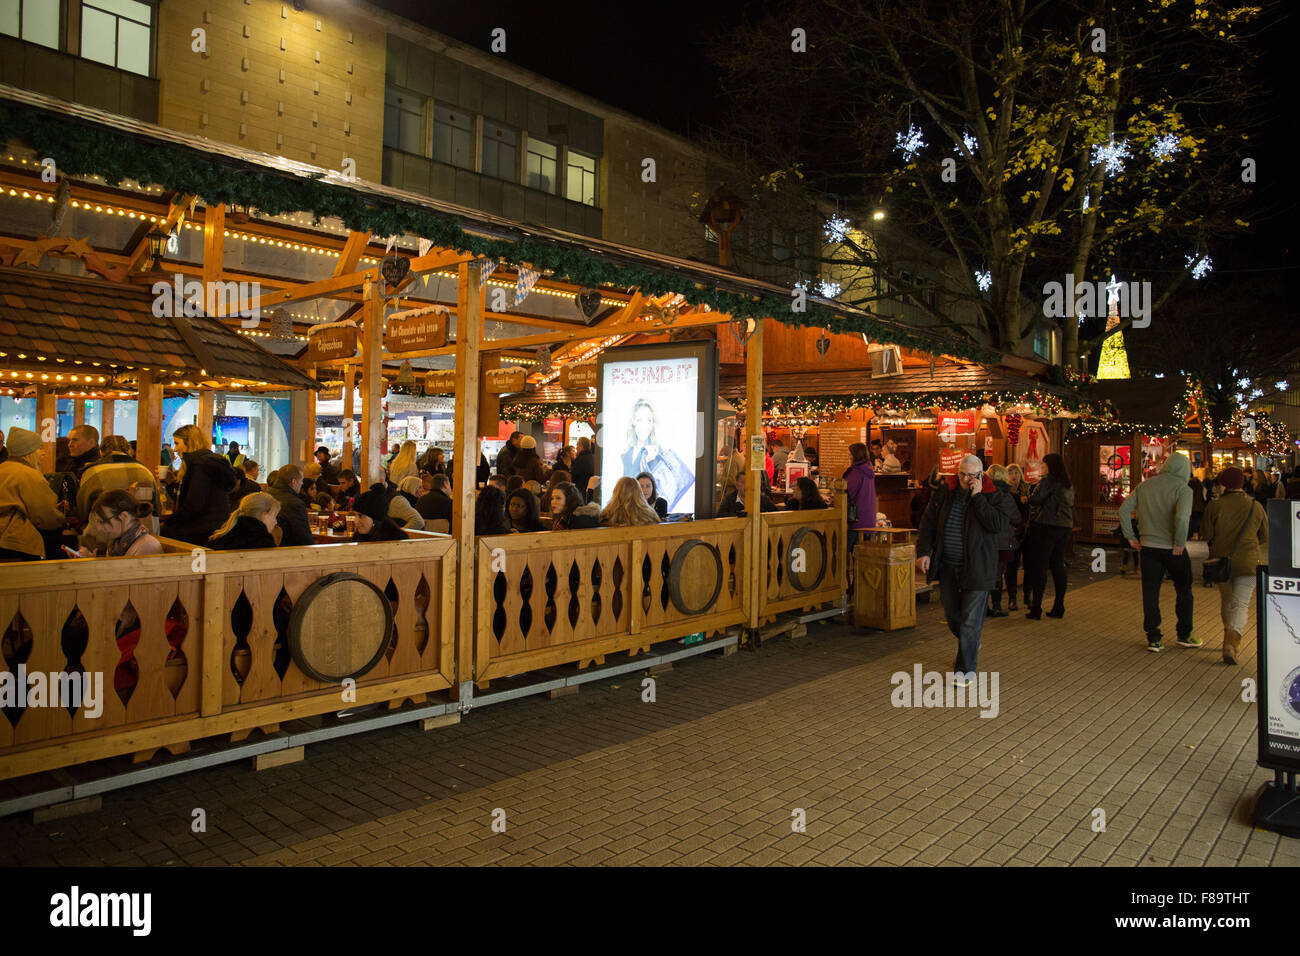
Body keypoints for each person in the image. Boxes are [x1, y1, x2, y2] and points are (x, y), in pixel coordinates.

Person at [917, 455, 1010, 682]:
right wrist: (923, 551)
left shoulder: (994, 495)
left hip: (978, 567)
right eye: (962, 474)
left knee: (970, 621)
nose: (965, 479)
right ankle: (972, 643)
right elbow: (928, 522)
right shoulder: (945, 492)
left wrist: (977, 498)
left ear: (981, 475)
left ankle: (964, 670)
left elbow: (996, 525)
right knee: (952, 616)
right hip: (949, 565)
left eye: (971, 475)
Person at [1118, 452, 1194, 652]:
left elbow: (1124, 510)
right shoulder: (1183, 489)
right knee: (1184, 590)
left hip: (1148, 547)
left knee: (1150, 592)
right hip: (1173, 549)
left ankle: (1154, 637)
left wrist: (1130, 536)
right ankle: (1184, 634)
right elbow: (1182, 518)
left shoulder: (1145, 486)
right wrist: (1179, 542)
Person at [1200, 467, 1267, 666]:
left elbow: (1206, 534)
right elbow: (1265, 536)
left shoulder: (1215, 506)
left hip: (1221, 562)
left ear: (1223, 483)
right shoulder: (1256, 506)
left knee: (1227, 602)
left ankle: (1228, 638)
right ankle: (1231, 642)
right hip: (1248, 562)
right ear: (1242, 483)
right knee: (1241, 604)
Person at [160, 424, 236, 546]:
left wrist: (168, 522)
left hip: (200, 533)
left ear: (189, 443)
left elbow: (194, 504)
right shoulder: (199, 463)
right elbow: (189, 499)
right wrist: (171, 484)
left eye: (177, 443)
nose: (174, 449)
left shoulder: (201, 465)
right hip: (211, 528)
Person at [1023, 453, 1076, 620]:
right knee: (1058, 565)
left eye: (1044, 464)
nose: (1043, 467)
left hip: (1047, 526)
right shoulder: (1068, 483)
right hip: (1065, 526)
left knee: (1041, 567)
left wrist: (1027, 497)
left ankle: (1036, 607)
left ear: (1051, 466)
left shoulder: (1048, 481)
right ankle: (1059, 606)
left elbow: (1036, 500)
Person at [0, 427, 64, 560]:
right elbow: (45, 516)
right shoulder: (29, 475)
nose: (44, 453)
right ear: (29, 452)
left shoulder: (3, 468)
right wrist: (61, 519)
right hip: (15, 542)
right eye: (39, 448)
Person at [620, 399, 694, 512]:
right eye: (639, 420)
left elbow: (648, 490)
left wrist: (648, 462)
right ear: (633, 422)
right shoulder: (628, 451)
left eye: (649, 420)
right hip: (627, 508)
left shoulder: (654, 451)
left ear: (653, 423)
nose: (644, 425)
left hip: (644, 512)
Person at [76, 435, 161, 528]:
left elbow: (82, 509)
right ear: (128, 451)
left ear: (101, 452)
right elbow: (157, 508)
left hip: (104, 532)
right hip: (142, 530)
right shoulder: (145, 471)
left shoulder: (92, 472)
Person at [77, 489, 162, 557]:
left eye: (103, 521)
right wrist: (90, 558)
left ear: (124, 516)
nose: (99, 528)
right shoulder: (117, 544)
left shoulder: (146, 546)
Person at [985, 465, 1023, 617]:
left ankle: (984, 605)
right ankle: (996, 605)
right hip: (1002, 541)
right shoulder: (1006, 495)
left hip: (985, 540)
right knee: (997, 574)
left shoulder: (982, 493)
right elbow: (1016, 518)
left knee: (986, 572)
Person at [208, 492, 279, 550]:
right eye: (274, 516)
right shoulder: (262, 542)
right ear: (264, 515)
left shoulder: (225, 535)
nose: (276, 522)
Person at [1003, 464, 1030, 609]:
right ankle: (1012, 598)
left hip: (1026, 534)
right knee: (1011, 567)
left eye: (1017, 473)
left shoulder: (1027, 492)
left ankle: (1027, 595)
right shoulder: (1004, 493)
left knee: (1029, 566)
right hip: (1011, 535)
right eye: (1011, 473)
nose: (1014, 476)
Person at [266, 464, 312, 547]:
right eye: (301, 480)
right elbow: (304, 538)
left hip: (266, 546)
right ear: (293, 482)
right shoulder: (295, 504)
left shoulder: (265, 495)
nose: (302, 483)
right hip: (288, 550)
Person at [844, 442, 878, 546]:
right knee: (862, 554)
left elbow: (849, 492)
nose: (849, 457)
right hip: (868, 518)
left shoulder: (856, 472)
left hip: (856, 519)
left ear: (855, 455)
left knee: (847, 552)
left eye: (850, 455)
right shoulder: (868, 469)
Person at [1188, 469, 1207, 539]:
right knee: (1198, 520)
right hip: (1200, 505)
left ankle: (1193, 534)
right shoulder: (1199, 483)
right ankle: (1198, 534)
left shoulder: (1189, 483)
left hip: (1193, 505)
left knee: (1193, 520)